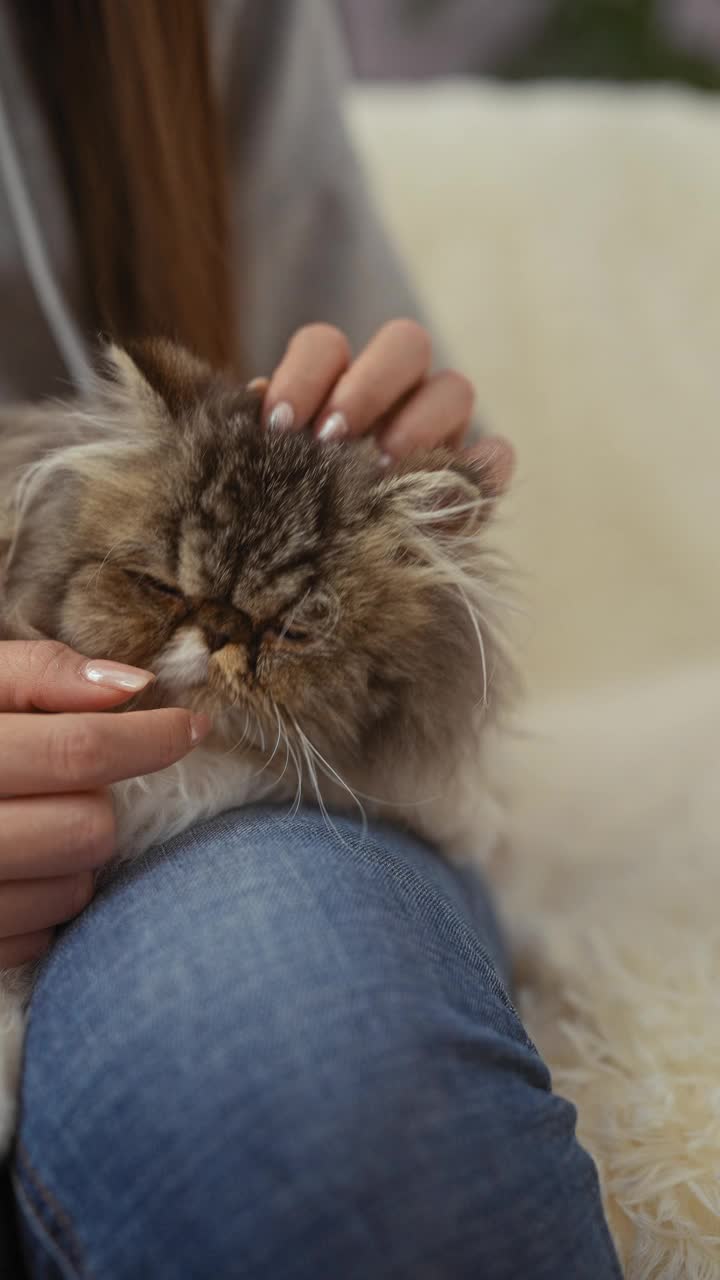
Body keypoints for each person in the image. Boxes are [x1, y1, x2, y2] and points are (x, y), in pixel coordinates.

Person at [0, 3, 621, 1277]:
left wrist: (405, 435)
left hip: (253, 810)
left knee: (332, 1094)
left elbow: (388, 452)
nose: (206, 646)